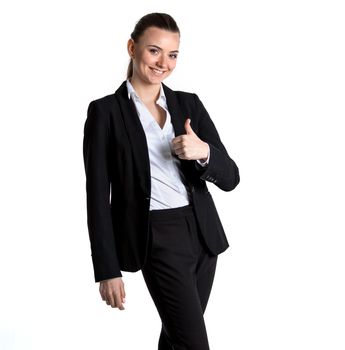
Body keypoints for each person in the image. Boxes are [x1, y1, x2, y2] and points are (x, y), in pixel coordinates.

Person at [83, 12, 240, 350]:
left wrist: (204, 152)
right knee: (193, 343)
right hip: (156, 236)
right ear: (132, 48)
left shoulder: (188, 104)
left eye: (172, 55)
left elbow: (231, 177)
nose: (163, 63)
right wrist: (106, 268)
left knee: (176, 339)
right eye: (154, 51)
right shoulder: (105, 113)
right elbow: (97, 196)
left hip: (202, 234)